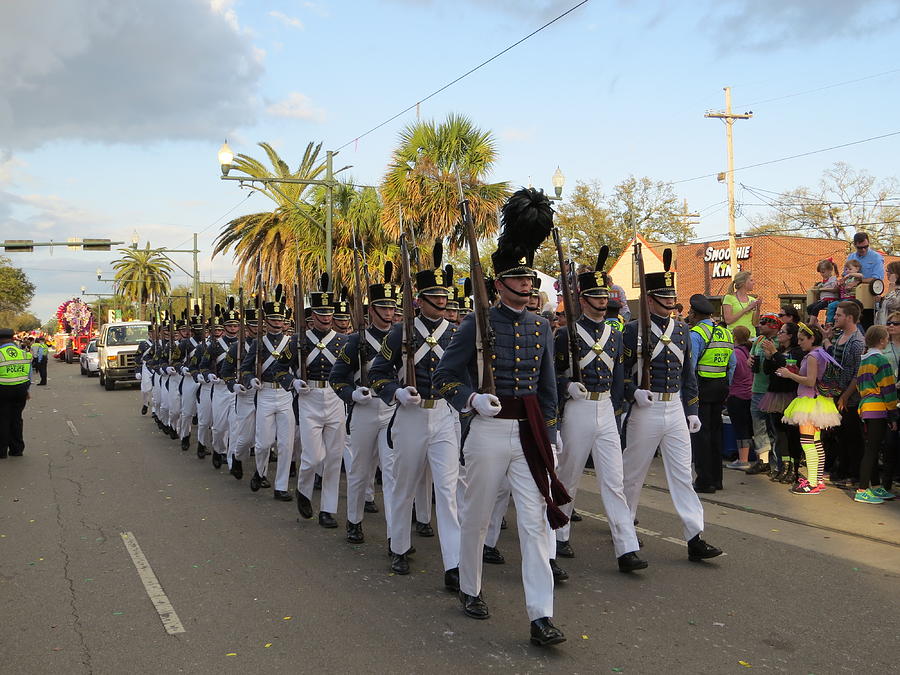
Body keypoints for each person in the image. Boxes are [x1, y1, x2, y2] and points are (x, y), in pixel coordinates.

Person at [434, 188, 568, 647]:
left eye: (530, 282)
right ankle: (470, 587)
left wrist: (550, 432)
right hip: (488, 430)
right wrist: (471, 400)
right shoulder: (476, 323)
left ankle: (540, 616)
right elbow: (445, 379)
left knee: (534, 523)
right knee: (475, 515)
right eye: (520, 282)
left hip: (529, 431)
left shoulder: (540, 326)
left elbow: (548, 387)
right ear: (499, 284)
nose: (528, 288)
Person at [620, 257, 723, 563]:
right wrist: (633, 392)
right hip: (645, 408)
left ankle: (694, 536)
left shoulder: (681, 331)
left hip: (675, 406)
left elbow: (688, 375)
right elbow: (620, 373)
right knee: (632, 474)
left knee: (681, 474)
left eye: (671, 298)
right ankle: (625, 534)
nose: (669, 303)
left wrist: (691, 409)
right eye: (663, 298)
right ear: (650, 300)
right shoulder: (632, 330)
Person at [369, 249, 461, 587]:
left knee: (448, 492)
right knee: (403, 484)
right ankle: (398, 544)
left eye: (444, 296)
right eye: (434, 296)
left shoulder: (455, 333)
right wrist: (396, 392)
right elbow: (378, 373)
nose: (441, 301)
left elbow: (467, 375)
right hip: (409, 415)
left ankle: (454, 564)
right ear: (420, 300)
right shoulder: (399, 333)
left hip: (445, 415)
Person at [553, 265, 645, 572]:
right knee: (569, 475)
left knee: (614, 480)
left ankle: (626, 547)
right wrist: (566, 386)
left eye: (604, 295)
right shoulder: (565, 333)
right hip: (577, 407)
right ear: (582, 299)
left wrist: (617, 409)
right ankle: (558, 534)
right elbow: (550, 374)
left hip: (605, 406)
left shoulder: (614, 334)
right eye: (595, 296)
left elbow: (619, 375)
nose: (602, 301)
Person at [330, 269, 398, 545]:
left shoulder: (402, 337)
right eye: (383, 305)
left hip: (393, 409)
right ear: (372, 309)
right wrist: (351, 394)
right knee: (359, 470)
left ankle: (396, 535)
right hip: (365, 409)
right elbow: (337, 378)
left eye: (392, 306)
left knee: (393, 474)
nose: (389, 311)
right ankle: (354, 520)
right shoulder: (356, 340)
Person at [294, 291, 349, 526]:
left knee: (335, 457)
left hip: (336, 397)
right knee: (314, 456)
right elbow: (279, 368)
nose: (326, 317)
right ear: (312, 315)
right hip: (309, 398)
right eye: (321, 313)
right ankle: (303, 489)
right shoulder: (299, 340)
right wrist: (293, 381)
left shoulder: (344, 341)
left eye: (329, 313)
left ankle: (328, 509)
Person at [241, 286, 299, 501]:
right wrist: (250, 379)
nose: (276, 323)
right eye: (272, 319)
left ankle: (281, 486)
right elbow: (245, 369)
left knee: (286, 444)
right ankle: (260, 471)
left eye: (280, 319)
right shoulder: (258, 343)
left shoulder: (291, 343)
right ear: (266, 321)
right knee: (264, 443)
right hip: (264, 392)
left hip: (285, 395)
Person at [775, 323, 842, 494]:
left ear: (812, 338)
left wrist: (790, 374)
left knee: (807, 442)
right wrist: (796, 371)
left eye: (802, 339)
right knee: (816, 442)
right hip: (819, 402)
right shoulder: (821, 354)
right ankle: (817, 479)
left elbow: (810, 381)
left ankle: (812, 483)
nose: (800, 343)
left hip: (810, 402)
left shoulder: (813, 356)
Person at [688, 294, 735, 492]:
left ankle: (704, 481)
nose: (689, 316)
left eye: (690, 313)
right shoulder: (726, 333)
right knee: (716, 434)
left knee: (701, 436)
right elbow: (732, 365)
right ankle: (717, 479)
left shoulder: (696, 333)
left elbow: (690, 367)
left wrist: (688, 392)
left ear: (696, 314)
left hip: (701, 389)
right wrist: (726, 385)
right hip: (721, 388)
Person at [853, 325, 897, 503]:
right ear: (881, 340)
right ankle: (862, 489)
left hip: (865, 407)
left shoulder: (865, 360)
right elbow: (888, 388)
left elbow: (859, 385)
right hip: (878, 408)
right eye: (886, 338)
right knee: (872, 450)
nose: (888, 340)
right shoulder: (881, 360)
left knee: (870, 448)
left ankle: (875, 487)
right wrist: (892, 414)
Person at [824, 301, 865, 485]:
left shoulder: (857, 341)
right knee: (839, 435)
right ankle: (840, 470)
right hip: (836, 392)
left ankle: (854, 473)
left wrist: (846, 396)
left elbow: (858, 373)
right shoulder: (839, 336)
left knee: (852, 436)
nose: (835, 318)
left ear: (849, 317)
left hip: (850, 397)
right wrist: (827, 339)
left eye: (839, 315)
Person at [760, 323, 804, 484]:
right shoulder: (779, 351)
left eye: (782, 332)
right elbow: (767, 370)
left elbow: (788, 368)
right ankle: (783, 466)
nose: (779, 334)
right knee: (780, 433)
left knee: (792, 434)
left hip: (790, 395)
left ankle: (795, 468)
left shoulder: (797, 352)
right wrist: (768, 356)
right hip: (774, 394)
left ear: (791, 335)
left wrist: (775, 353)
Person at [724, 326, 753, 470]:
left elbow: (731, 375)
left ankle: (743, 459)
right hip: (749, 394)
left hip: (736, 394)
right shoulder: (748, 351)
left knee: (740, 427)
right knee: (747, 426)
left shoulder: (734, 353)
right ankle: (747, 457)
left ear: (734, 337)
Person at [0, 327, 31, 458]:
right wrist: (27, 390)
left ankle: (1, 451)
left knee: (3, 419)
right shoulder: (23, 353)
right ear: (13, 338)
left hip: (3, 390)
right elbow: (29, 375)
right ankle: (17, 450)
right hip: (20, 390)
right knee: (16, 419)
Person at [824, 259, 862, 325]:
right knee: (831, 305)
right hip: (842, 299)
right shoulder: (845, 279)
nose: (848, 271)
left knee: (841, 308)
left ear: (857, 269)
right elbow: (842, 287)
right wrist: (840, 284)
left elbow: (861, 276)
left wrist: (850, 276)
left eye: (850, 269)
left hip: (851, 299)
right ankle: (829, 322)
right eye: (846, 269)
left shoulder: (856, 278)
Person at [806, 259, 840, 324]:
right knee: (809, 307)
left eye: (823, 272)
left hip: (830, 300)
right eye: (821, 272)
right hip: (823, 299)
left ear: (830, 271)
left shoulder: (833, 279)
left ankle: (811, 324)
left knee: (816, 308)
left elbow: (834, 289)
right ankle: (814, 322)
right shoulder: (824, 281)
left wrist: (822, 289)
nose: (822, 274)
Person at [875, 261, 900, 327]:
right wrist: (880, 301)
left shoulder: (894, 289)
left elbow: (893, 304)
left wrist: (892, 284)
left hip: (893, 326)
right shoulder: (893, 289)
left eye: (889, 271)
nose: (887, 273)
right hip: (884, 326)